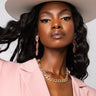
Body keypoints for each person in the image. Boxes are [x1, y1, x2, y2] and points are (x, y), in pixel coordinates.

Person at [0, 0, 96, 96]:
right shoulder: (4, 71)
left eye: (65, 18)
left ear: (75, 32)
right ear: (37, 33)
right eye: (45, 20)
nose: (56, 24)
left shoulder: (89, 93)